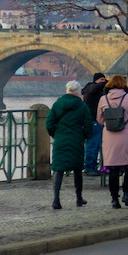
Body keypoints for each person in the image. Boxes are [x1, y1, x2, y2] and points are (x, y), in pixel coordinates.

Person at [96, 74, 128, 208]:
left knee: (113, 169)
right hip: (127, 137)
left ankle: (114, 199)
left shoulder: (103, 99)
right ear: (124, 85)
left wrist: (110, 123)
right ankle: (126, 194)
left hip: (110, 139)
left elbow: (99, 119)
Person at [47, 81, 92, 209]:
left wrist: (56, 135)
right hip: (76, 140)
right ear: (78, 92)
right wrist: (82, 136)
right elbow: (88, 126)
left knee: (58, 169)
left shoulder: (57, 104)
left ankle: (56, 200)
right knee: (77, 169)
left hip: (60, 139)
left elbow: (49, 123)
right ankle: (79, 198)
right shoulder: (83, 106)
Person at [81, 72, 108, 174]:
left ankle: (94, 166)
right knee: (93, 145)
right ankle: (89, 167)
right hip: (93, 120)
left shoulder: (95, 89)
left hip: (98, 120)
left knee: (97, 145)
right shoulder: (91, 87)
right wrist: (106, 83)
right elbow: (94, 88)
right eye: (102, 80)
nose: (104, 82)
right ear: (96, 80)